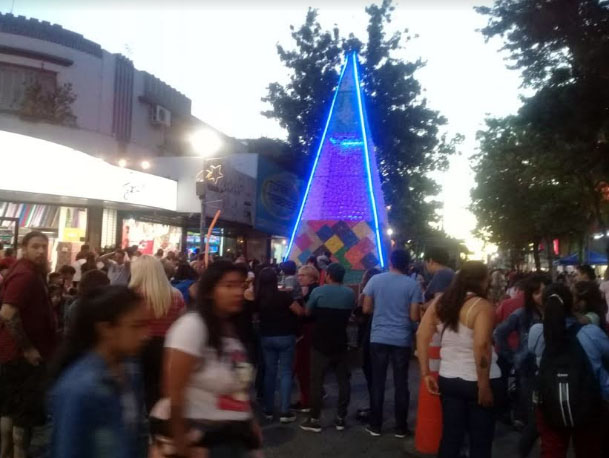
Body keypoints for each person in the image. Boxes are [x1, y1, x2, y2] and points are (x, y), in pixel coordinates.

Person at [150, 260, 260, 458]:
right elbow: (173, 389)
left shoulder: (227, 328)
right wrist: (181, 444)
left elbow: (236, 387)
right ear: (209, 291)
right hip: (201, 437)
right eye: (229, 286)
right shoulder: (192, 326)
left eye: (241, 285)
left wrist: (250, 422)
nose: (238, 292)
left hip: (231, 436)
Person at [48, 285, 149, 458]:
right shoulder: (80, 388)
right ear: (106, 329)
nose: (146, 335)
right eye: (136, 326)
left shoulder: (130, 370)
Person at [417, 261, 502, 458]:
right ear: (482, 280)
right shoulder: (482, 307)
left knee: (450, 437)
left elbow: (421, 335)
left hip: (448, 379)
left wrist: (425, 373)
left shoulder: (441, 303)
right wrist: (483, 386)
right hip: (476, 381)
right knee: (480, 441)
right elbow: (481, 346)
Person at [528, 283, 609, 458]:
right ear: (572, 303)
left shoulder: (537, 332)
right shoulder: (591, 332)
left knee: (552, 451)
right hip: (588, 403)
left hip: (549, 402)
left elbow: (532, 353)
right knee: (589, 451)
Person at [0, 231, 57, 458]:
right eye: (35, 246)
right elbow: (7, 313)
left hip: (13, 355)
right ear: (24, 248)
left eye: (44, 246)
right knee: (23, 417)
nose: (41, 251)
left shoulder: (27, 271)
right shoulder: (26, 275)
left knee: (9, 410)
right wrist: (27, 348)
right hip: (22, 359)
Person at [362, 250, 423, 437]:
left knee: (378, 381)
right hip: (401, 338)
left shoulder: (375, 280)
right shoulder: (413, 285)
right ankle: (401, 427)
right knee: (401, 382)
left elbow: (366, 309)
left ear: (390, 261)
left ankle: (375, 425)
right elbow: (414, 316)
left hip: (378, 337)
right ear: (408, 264)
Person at [494, 274, 547, 456]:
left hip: (550, 369)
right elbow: (499, 333)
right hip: (528, 369)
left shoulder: (555, 312)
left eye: (544, 291)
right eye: (537, 292)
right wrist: (513, 357)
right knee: (533, 417)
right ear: (530, 294)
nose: (541, 296)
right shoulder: (522, 314)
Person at [300, 263, 356, 433]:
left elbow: (307, 312)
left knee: (317, 381)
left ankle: (314, 419)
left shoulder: (318, 291)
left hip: (320, 342)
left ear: (328, 275)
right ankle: (340, 418)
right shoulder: (350, 293)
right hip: (340, 342)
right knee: (343, 381)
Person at [129, 255, 185, 412]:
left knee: (135, 391)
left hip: (138, 347)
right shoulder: (176, 295)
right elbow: (181, 324)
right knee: (158, 391)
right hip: (166, 347)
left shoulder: (132, 296)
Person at [256, 267, 302, 422]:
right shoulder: (284, 296)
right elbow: (299, 311)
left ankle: (268, 409)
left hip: (266, 336)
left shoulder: (258, 298)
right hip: (285, 335)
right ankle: (284, 411)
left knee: (270, 373)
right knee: (286, 372)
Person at [292, 265, 321, 413]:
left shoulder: (312, 291)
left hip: (307, 331)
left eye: (302, 275)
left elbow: (306, 313)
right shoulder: (313, 290)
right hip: (311, 331)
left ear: (311, 277)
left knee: (303, 366)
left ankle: (306, 400)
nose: (299, 278)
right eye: (299, 275)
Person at [354, 267, 381, 422]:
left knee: (371, 373)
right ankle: (375, 407)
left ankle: (374, 410)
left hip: (367, 335)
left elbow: (361, 313)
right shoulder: (383, 295)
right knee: (376, 375)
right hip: (379, 335)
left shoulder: (366, 295)